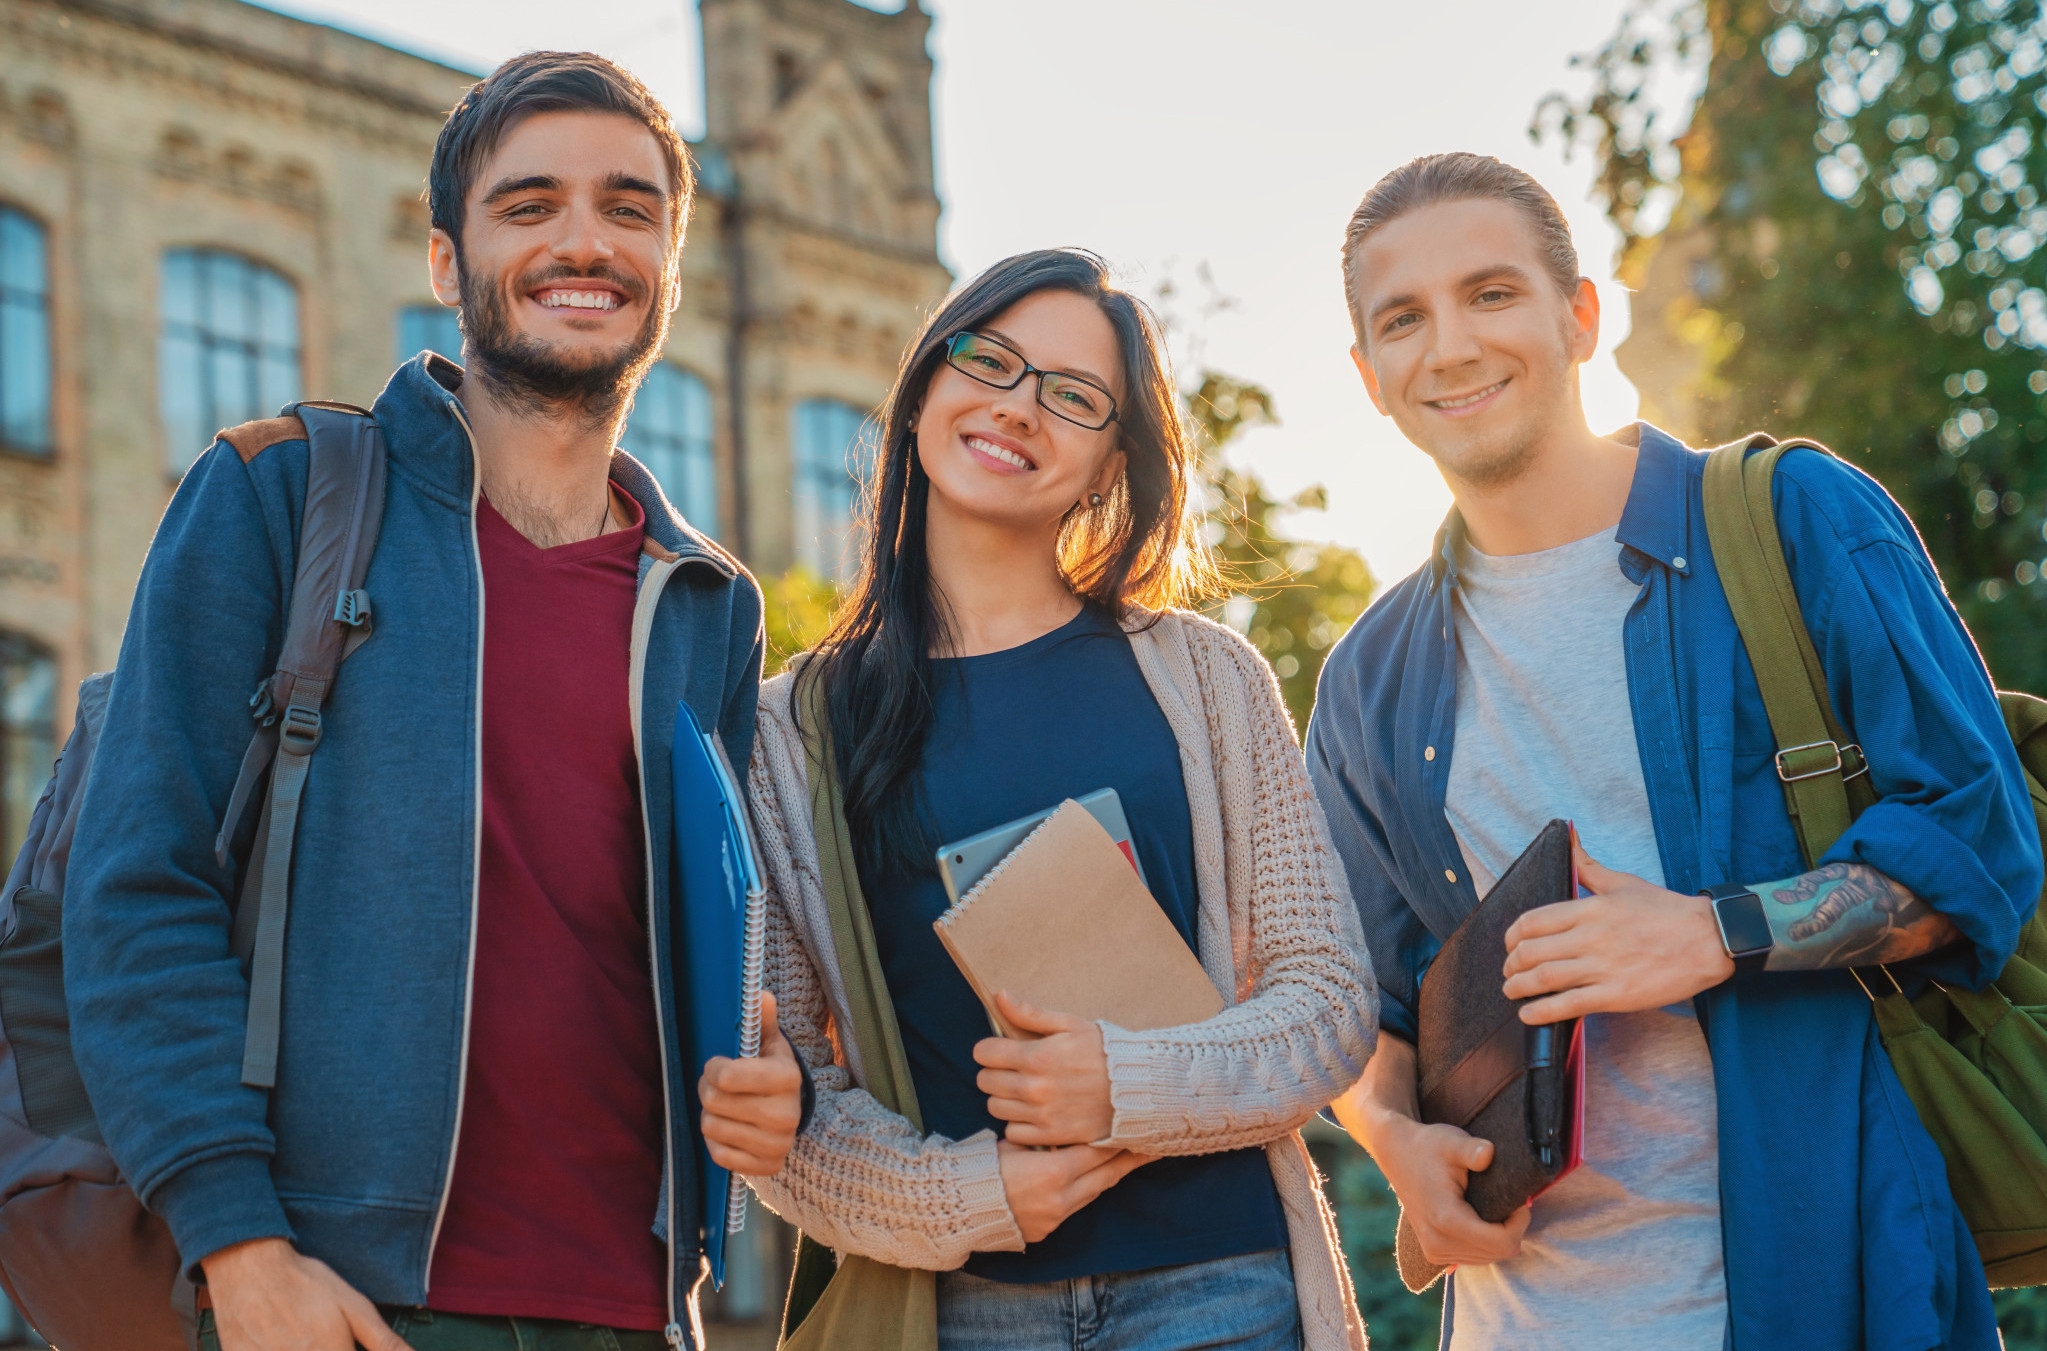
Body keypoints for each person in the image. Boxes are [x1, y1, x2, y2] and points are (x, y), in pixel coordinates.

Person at [62, 52, 806, 1351]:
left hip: (635, 1309)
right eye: (530, 204)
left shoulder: (706, 602)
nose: (584, 238)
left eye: (629, 207)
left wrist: (769, 1071)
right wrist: (237, 1242)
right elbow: (136, 891)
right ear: (447, 262)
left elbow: (698, 946)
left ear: (668, 269)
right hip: (340, 1294)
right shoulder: (280, 497)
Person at [1307, 151, 2043, 1351]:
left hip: (1828, 1292)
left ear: (1580, 315)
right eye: (1404, 318)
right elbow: (1363, 1005)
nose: (1448, 346)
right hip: (1518, 1322)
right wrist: (1397, 1140)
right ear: (1367, 374)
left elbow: (1977, 848)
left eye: (1490, 293)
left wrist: (1706, 933)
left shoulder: (1796, 520)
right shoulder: (1368, 679)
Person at [741, 247, 1377, 1351]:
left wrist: (1124, 1082)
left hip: (1222, 1295)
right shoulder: (787, 731)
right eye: (989, 362)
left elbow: (1327, 1005)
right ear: (925, 388)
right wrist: (979, 1194)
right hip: (961, 1316)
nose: (1017, 407)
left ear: (1109, 464)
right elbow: (784, 1107)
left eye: (1074, 396)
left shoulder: (1207, 680)